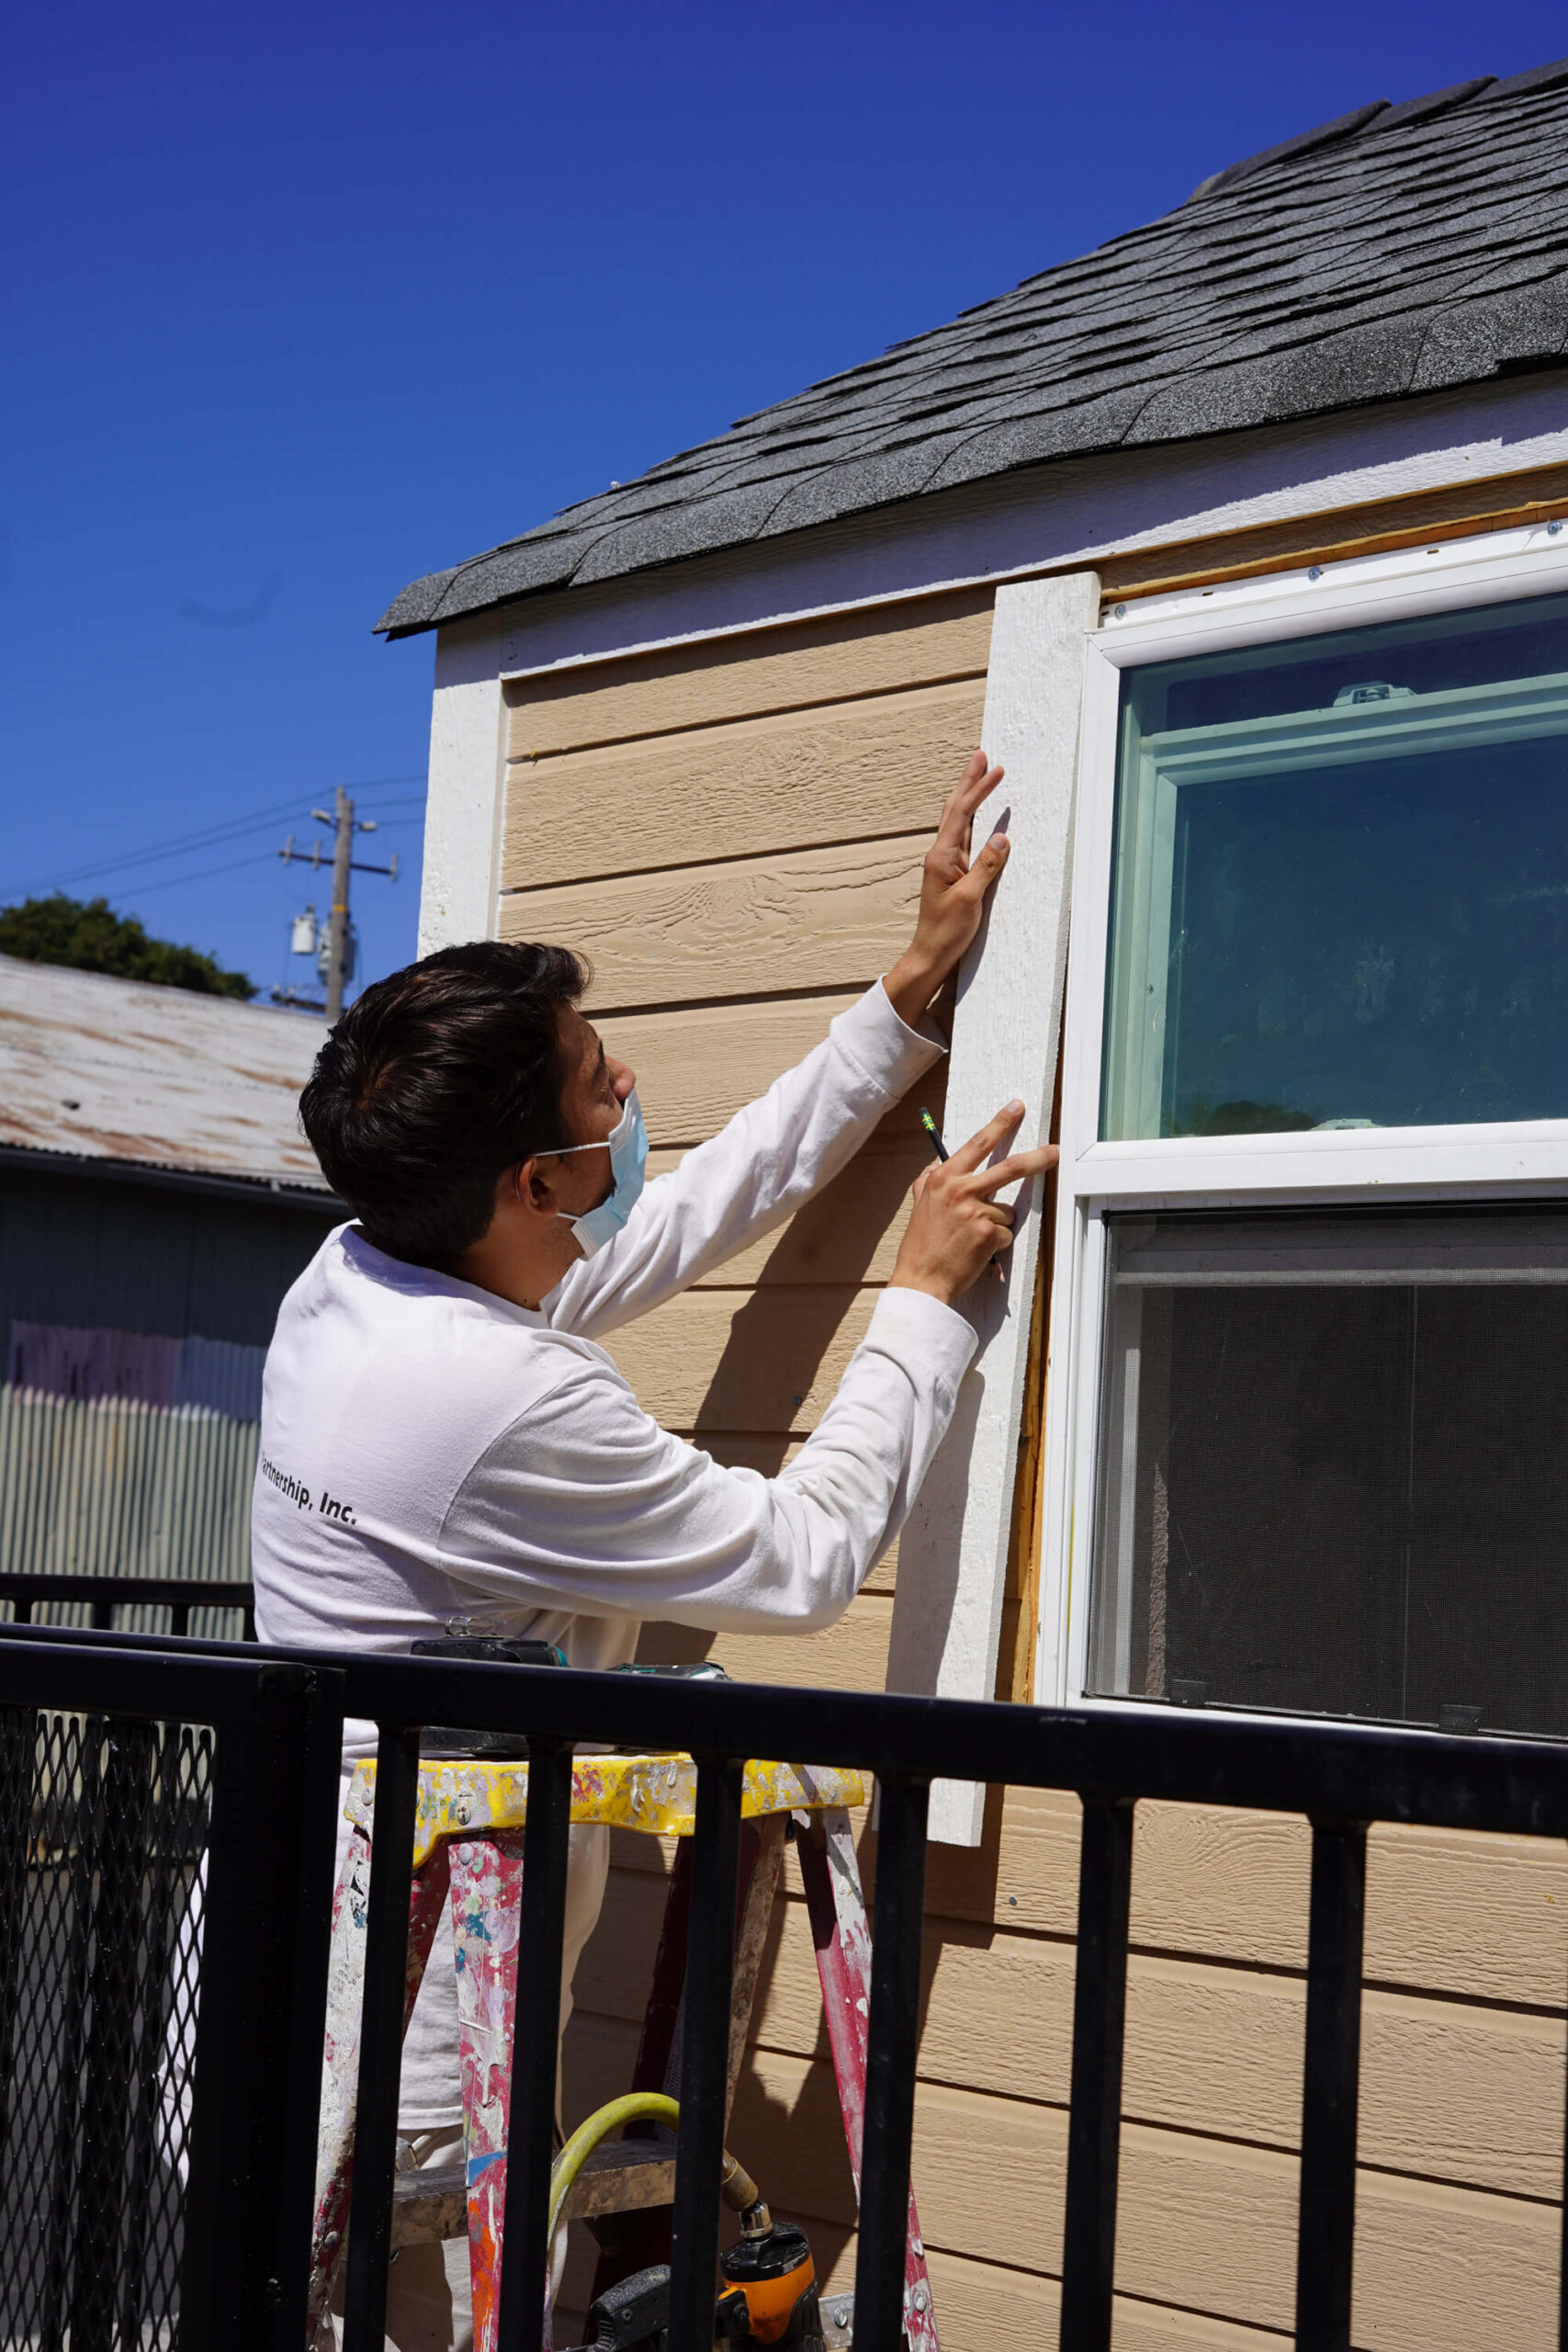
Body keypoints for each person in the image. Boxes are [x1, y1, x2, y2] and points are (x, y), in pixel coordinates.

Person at [253, 752, 1056, 2350]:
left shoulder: (364, 1274)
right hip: (410, 2027)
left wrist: (899, 1009)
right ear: (535, 1183)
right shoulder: (496, 1396)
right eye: (602, 1087)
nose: (630, 1099)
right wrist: (921, 1302)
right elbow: (812, 1553)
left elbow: (678, 1225)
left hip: (285, 1934)